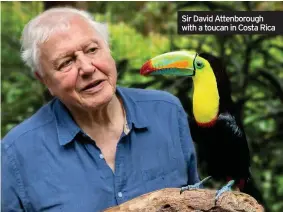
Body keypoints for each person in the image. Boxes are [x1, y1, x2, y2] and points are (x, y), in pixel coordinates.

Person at [1, 7, 200, 212]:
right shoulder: (16, 154)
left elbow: (196, 201)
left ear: (109, 49)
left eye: (92, 50)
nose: (87, 68)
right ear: (44, 80)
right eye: (66, 62)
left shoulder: (167, 112)